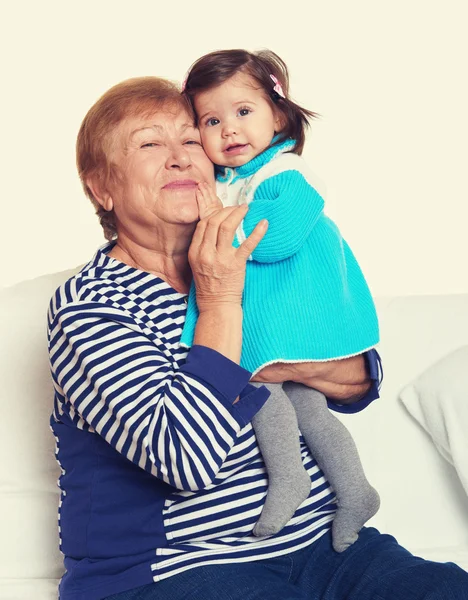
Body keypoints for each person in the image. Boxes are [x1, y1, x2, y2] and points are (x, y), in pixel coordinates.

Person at [48, 76, 468, 600]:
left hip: (325, 546)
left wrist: (284, 364)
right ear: (101, 188)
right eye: (151, 144)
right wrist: (220, 300)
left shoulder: (248, 251)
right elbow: (186, 461)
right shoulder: (90, 306)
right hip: (178, 569)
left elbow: (360, 378)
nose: (180, 158)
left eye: (191, 140)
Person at [180, 48, 380, 549]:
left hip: (299, 308)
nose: (229, 130)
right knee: (304, 406)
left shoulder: (287, 170)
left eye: (243, 112)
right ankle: (353, 489)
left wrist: (214, 225)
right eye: (211, 120)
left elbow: (278, 234)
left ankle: (290, 477)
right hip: (275, 309)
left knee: (257, 385)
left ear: (279, 114)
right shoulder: (225, 184)